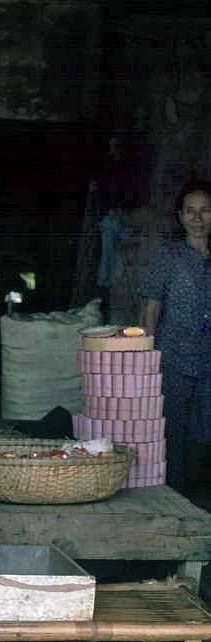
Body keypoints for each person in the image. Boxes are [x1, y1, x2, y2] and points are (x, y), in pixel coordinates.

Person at [140, 181, 211, 492]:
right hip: (173, 357)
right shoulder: (168, 255)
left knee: (204, 431)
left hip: (208, 360)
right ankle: (175, 497)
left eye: (205, 210)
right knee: (174, 431)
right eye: (190, 211)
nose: (198, 217)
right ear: (180, 217)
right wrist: (148, 356)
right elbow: (151, 309)